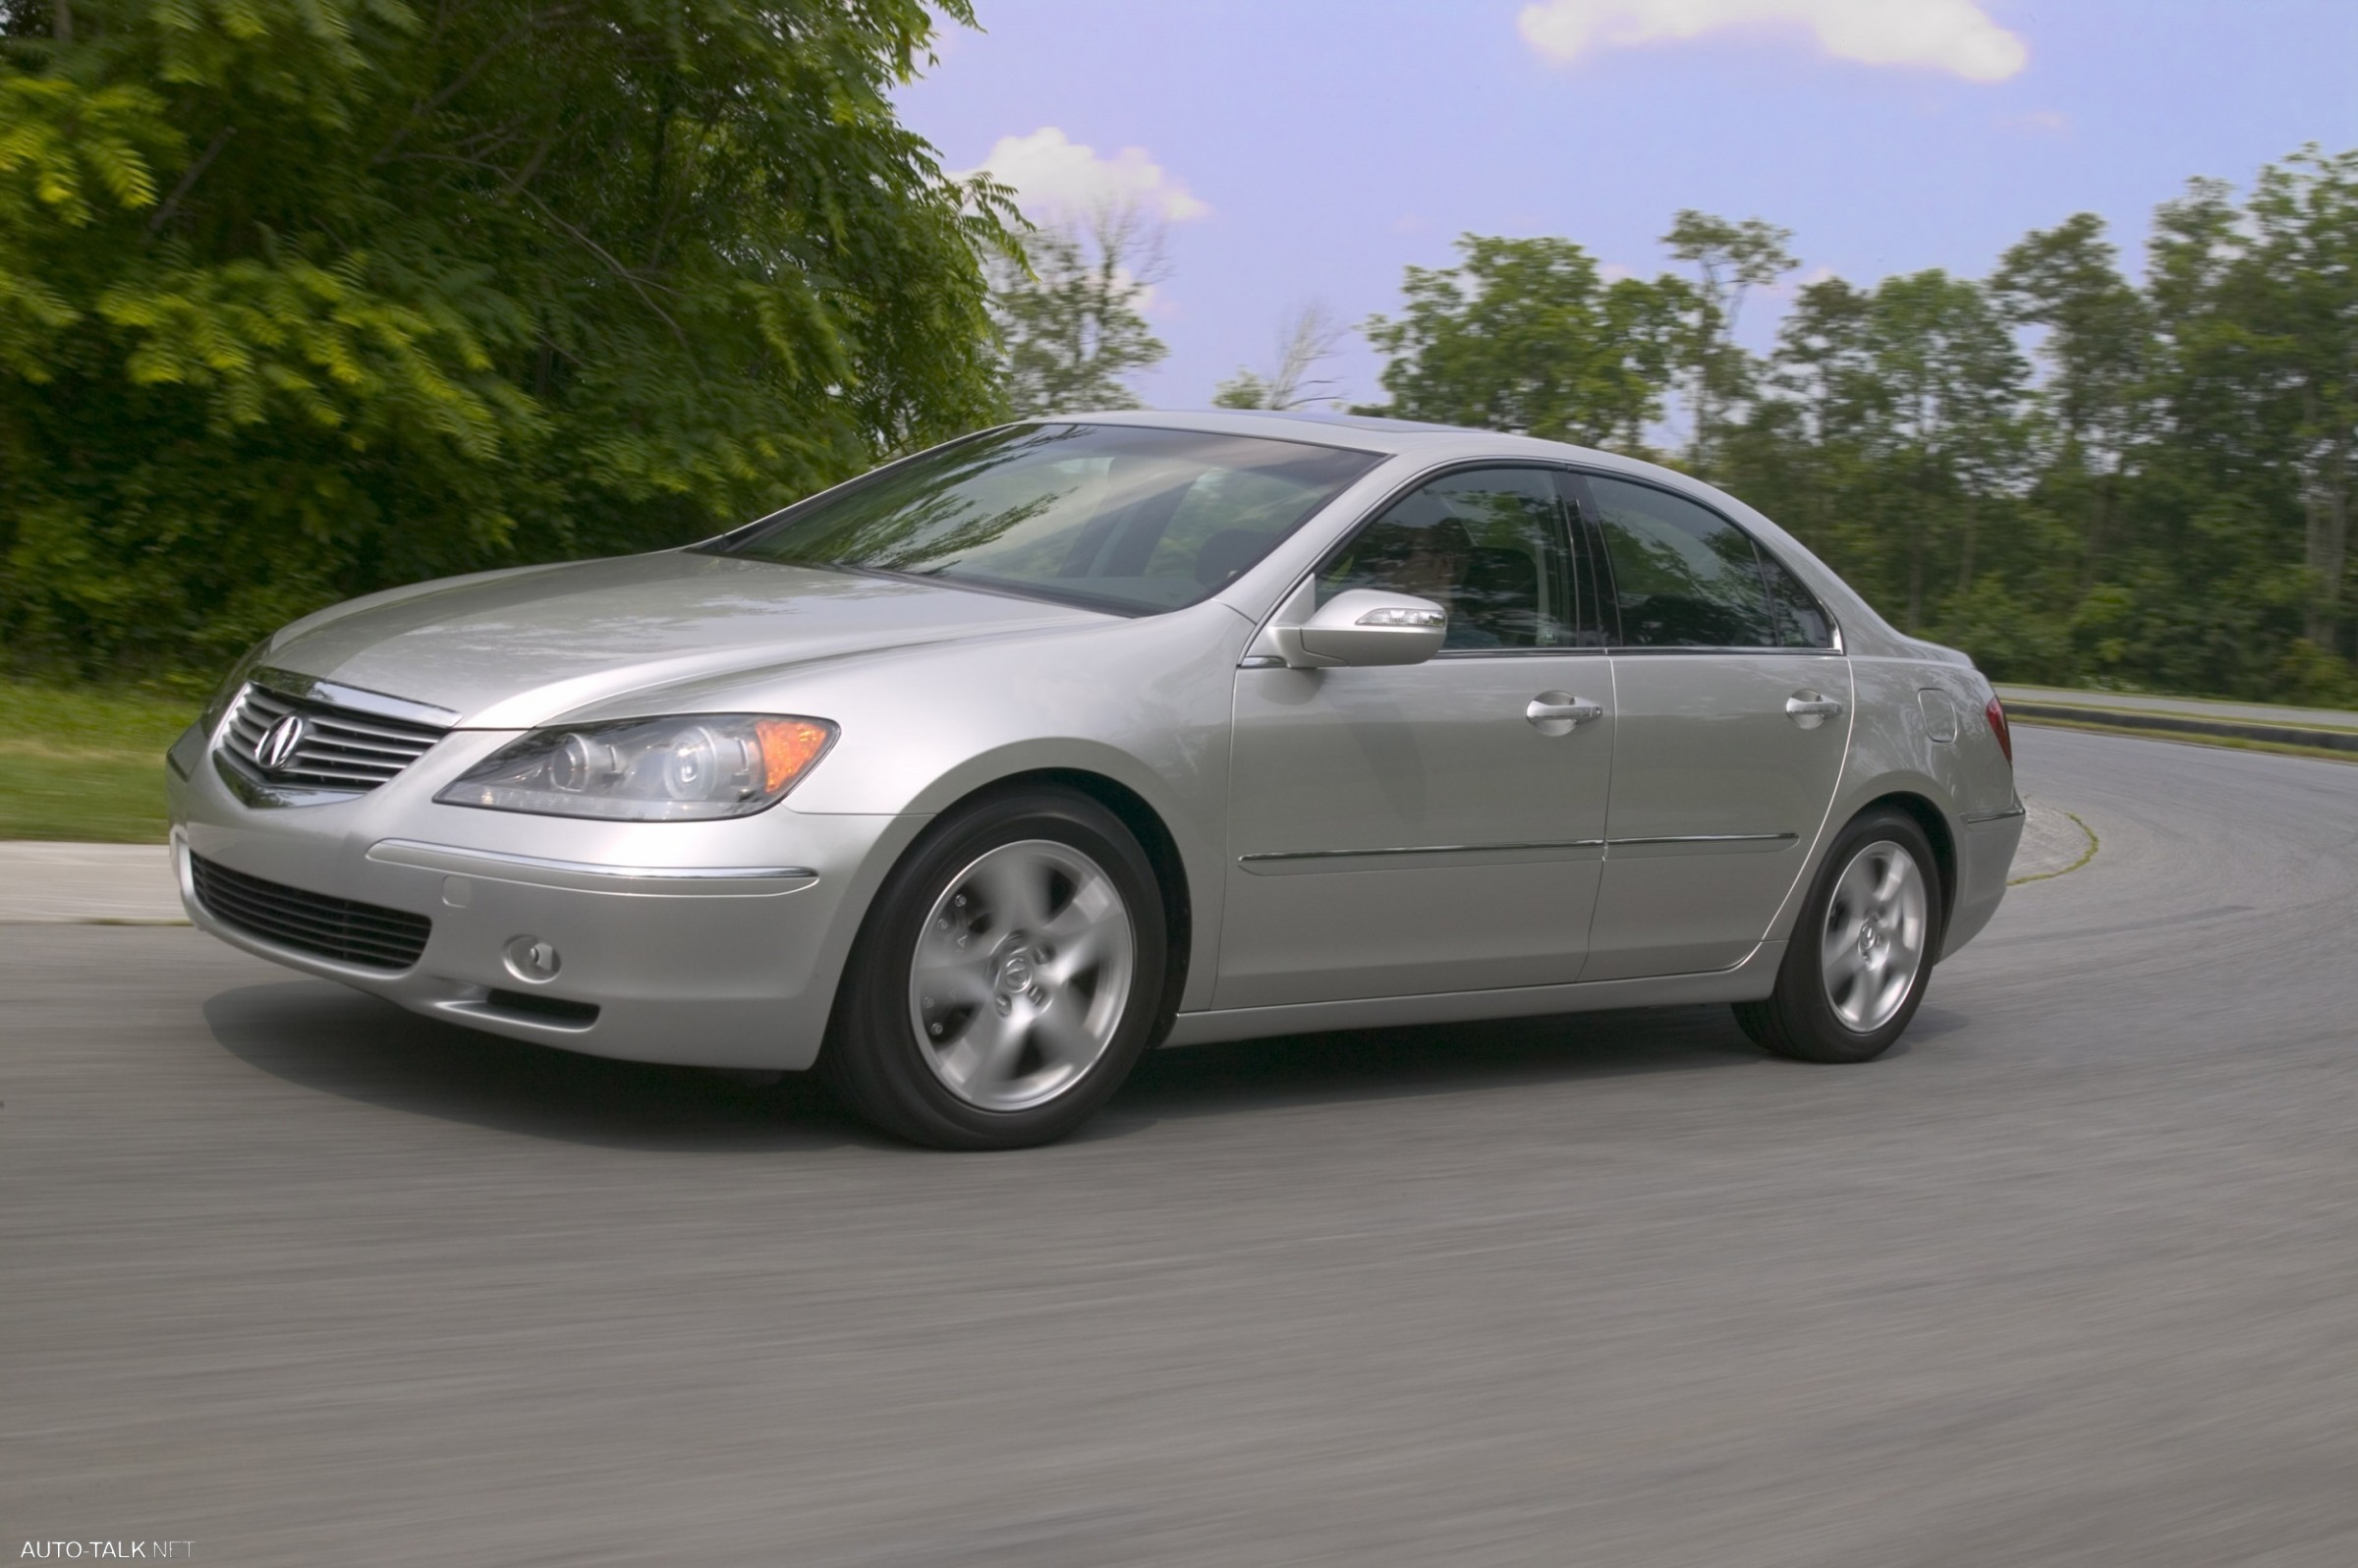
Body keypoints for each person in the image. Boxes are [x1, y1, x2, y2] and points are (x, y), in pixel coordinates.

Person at [1343, 514, 1501, 649]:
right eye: (1375, 554)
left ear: (1444, 565)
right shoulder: (1363, 632)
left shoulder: (1473, 647)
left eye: (1398, 551)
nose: (1381, 563)